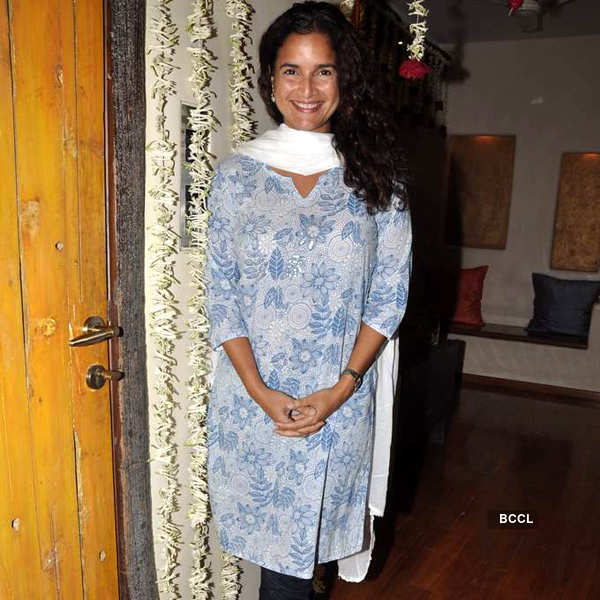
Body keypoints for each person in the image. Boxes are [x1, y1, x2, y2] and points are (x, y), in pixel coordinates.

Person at [205, 2, 412, 598]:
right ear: (269, 79)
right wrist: (260, 392)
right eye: (291, 70)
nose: (307, 87)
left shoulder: (378, 177)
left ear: (344, 79)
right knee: (280, 566)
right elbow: (224, 292)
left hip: (339, 401)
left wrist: (340, 388)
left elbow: (388, 293)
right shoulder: (237, 174)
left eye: (324, 70)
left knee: (304, 560)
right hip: (253, 400)